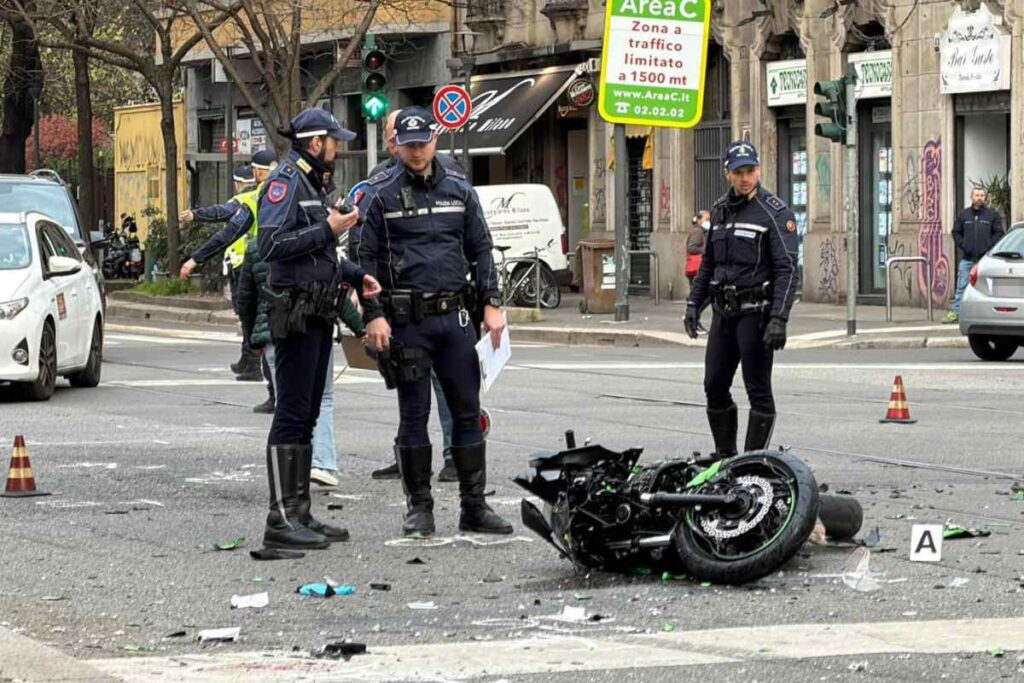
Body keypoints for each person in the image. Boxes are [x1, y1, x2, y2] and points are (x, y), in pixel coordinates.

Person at [358, 106, 511, 537]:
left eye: (423, 142)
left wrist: (492, 303)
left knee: (467, 411)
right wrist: (374, 316)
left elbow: (481, 247)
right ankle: (419, 508)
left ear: (435, 138)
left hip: (455, 318)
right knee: (414, 415)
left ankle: (474, 507)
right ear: (396, 145)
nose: (417, 151)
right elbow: (363, 260)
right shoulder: (380, 191)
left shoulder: (459, 185)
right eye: (408, 145)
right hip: (406, 321)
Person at [255, 108, 381, 550]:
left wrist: (351, 273)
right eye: (334, 140)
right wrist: (328, 228)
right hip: (294, 313)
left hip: (318, 310)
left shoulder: (311, 183)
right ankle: (281, 519)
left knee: (307, 415)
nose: (339, 147)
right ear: (315, 143)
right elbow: (269, 245)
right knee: (291, 414)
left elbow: (317, 253)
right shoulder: (284, 182)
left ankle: (300, 511)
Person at [357, 108, 460, 484]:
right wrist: (369, 297)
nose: (395, 141)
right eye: (393, 135)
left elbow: (466, 235)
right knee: (409, 387)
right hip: (400, 301)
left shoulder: (451, 173)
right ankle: (407, 456)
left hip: (443, 300)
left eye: (397, 134)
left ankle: (453, 456)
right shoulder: (379, 180)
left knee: (447, 385)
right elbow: (366, 241)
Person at [684, 141, 798, 458]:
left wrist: (779, 318)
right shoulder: (719, 210)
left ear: (758, 170)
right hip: (724, 314)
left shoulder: (774, 212)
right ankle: (725, 457)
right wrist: (694, 304)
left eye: (750, 171)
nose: (745, 178)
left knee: (757, 390)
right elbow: (709, 264)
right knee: (714, 386)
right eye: (739, 172)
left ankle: (751, 462)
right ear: (728, 174)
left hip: (756, 315)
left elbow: (787, 269)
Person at [181, 150, 280, 396]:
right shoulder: (297, 189)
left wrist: (195, 259)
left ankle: (275, 393)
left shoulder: (256, 198)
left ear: (257, 172)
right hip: (296, 271)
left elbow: (227, 231)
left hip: (259, 269)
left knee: (261, 328)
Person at [948, 187, 1004, 323]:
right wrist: (963, 245)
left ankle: (990, 314)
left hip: (985, 259)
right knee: (962, 286)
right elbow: (956, 232)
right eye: (976, 195)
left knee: (988, 286)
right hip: (967, 258)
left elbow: (999, 233)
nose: (979, 198)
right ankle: (956, 312)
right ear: (971, 197)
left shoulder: (992, 215)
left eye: (982, 195)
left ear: (985, 198)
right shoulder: (963, 215)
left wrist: (989, 246)